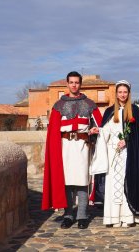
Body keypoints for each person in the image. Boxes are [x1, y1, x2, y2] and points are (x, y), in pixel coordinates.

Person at [41, 71, 102, 229]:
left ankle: (82, 215)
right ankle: (68, 215)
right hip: (65, 147)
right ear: (67, 84)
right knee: (67, 182)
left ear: (80, 84)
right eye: (71, 82)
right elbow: (53, 131)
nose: (74, 85)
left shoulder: (89, 103)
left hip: (82, 146)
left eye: (77, 82)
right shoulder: (59, 105)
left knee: (82, 181)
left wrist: (94, 131)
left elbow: (101, 125)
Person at [91, 80, 139, 227]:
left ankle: (127, 217)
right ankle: (113, 217)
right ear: (116, 94)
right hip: (112, 153)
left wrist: (127, 141)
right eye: (120, 92)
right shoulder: (110, 111)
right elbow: (106, 131)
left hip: (129, 154)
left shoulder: (134, 110)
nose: (122, 94)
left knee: (125, 183)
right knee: (112, 183)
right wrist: (99, 131)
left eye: (125, 92)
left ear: (129, 94)